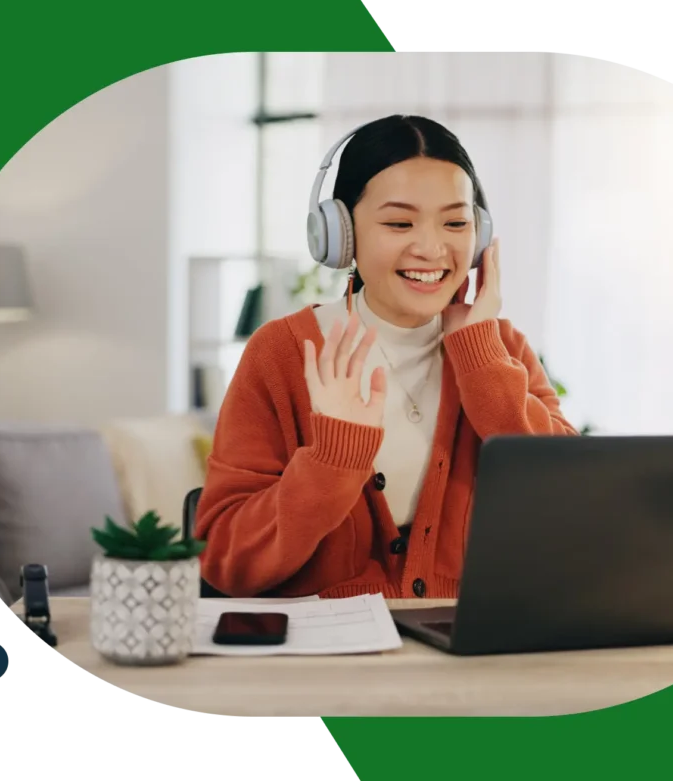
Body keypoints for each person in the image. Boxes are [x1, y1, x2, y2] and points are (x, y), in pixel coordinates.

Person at [194, 114, 579, 599]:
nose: (432, 248)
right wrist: (333, 458)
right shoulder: (281, 354)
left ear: (478, 236)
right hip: (327, 658)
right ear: (341, 235)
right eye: (399, 222)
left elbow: (572, 501)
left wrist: (481, 361)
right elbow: (228, 562)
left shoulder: (500, 350)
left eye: (456, 222)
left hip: (472, 647)